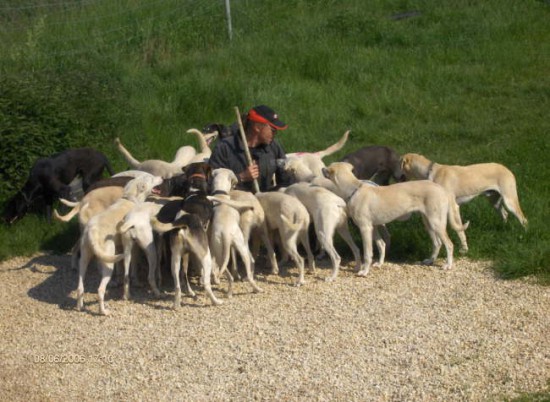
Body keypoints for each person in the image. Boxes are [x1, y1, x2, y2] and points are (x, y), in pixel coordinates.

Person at [208, 105, 291, 192]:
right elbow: (211, 182)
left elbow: (286, 182)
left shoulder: (274, 147)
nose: (275, 134)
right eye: (273, 130)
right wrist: (241, 177)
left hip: (265, 201)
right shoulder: (224, 148)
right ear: (257, 127)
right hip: (233, 202)